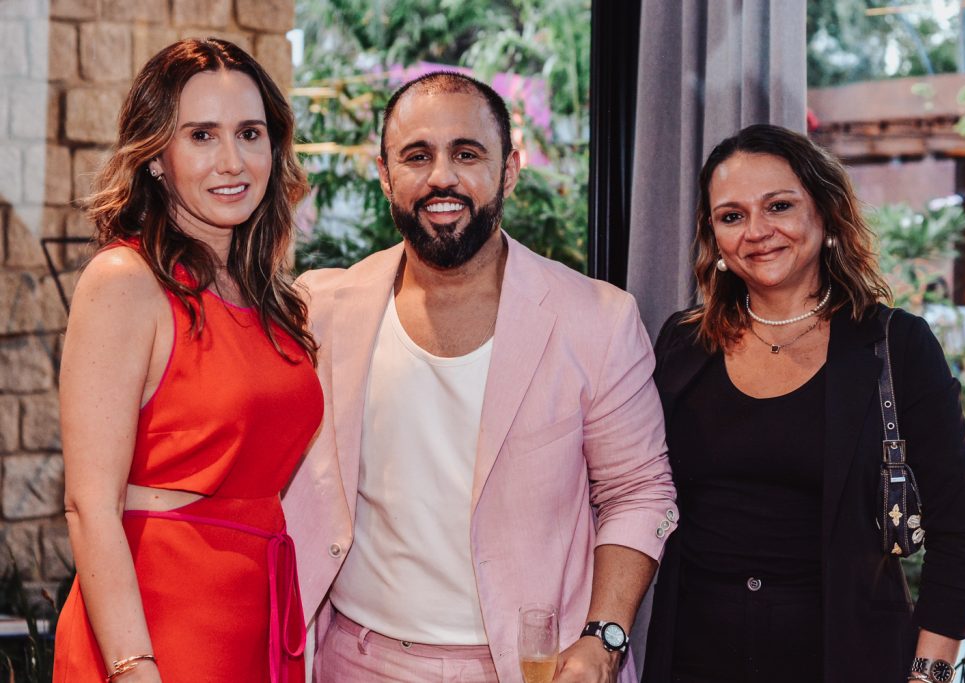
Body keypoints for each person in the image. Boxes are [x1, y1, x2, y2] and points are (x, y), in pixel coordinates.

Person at [282, 71, 677, 683]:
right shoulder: (321, 309)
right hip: (354, 661)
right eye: (418, 155)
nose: (442, 176)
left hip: (530, 667)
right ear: (385, 175)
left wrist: (604, 638)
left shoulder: (595, 320)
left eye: (467, 153)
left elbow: (639, 492)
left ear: (509, 170)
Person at [641, 124, 965, 683]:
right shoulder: (683, 344)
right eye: (732, 216)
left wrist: (928, 676)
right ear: (714, 237)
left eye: (779, 205)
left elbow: (960, 534)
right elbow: (636, 493)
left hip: (848, 661)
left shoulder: (896, 345)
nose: (758, 232)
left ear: (824, 213)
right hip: (692, 659)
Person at [53, 38, 322, 683]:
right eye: (201, 135)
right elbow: (89, 505)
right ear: (155, 159)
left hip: (256, 618)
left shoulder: (269, 297)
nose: (232, 161)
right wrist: (134, 667)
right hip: (156, 627)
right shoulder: (125, 280)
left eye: (249, 133)